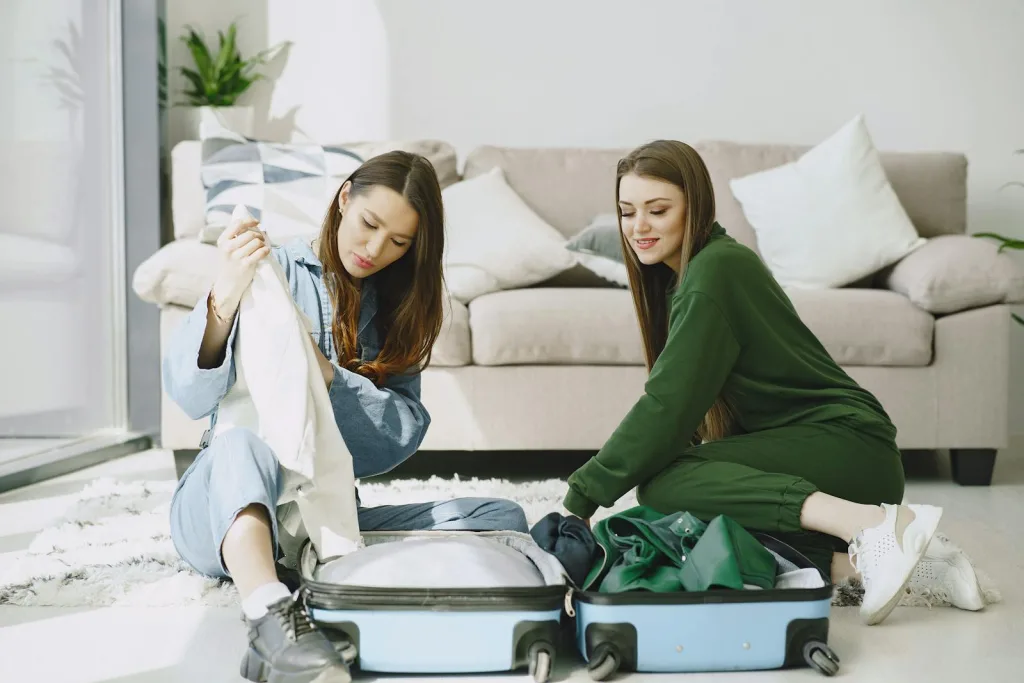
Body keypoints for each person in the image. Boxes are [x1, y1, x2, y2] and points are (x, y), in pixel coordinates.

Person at [561, 140, 986, 626]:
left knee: (663, 482)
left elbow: (667, 408)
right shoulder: (692, 275)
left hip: (847, 446)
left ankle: (873, 526)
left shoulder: (716, 270)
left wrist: (582, 496)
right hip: (828, 456)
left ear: (694, 208)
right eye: (626, 211)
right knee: (674, 516)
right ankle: (895, 564)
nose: (638, 227)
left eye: (657, 210)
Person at [165, 151, 529, 683]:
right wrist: (223, 296)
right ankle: (269, 616)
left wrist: (329, 377)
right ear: (344, 199)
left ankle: (305, 572)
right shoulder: (273, 269)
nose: (375, 249)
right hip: (224, 502)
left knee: (501, 519)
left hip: (321, 518)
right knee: (241, 445)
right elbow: (188, 393)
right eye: (369, 224)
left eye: (399, 242)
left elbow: (394, 441)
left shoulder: (399, 306)